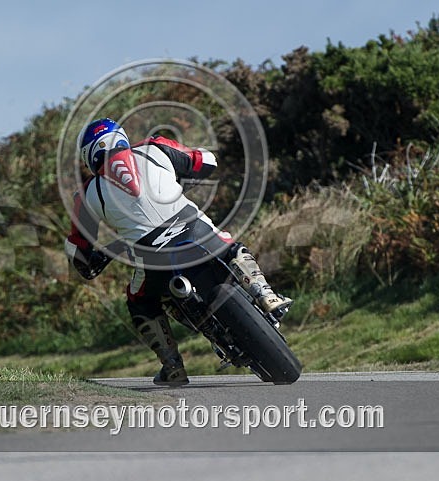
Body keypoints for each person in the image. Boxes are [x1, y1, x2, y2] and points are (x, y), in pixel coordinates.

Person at [64, 118, 292, 386]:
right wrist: (178, 176)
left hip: (151, 257)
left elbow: (79, 252)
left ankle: (172, 365)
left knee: (138, 300)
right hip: (196, 231)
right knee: (230, 247)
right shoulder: (155, 148)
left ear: (89, 155)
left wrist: (94, 260)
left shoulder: (86, 195)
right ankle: (265, 293)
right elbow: (206, 161)